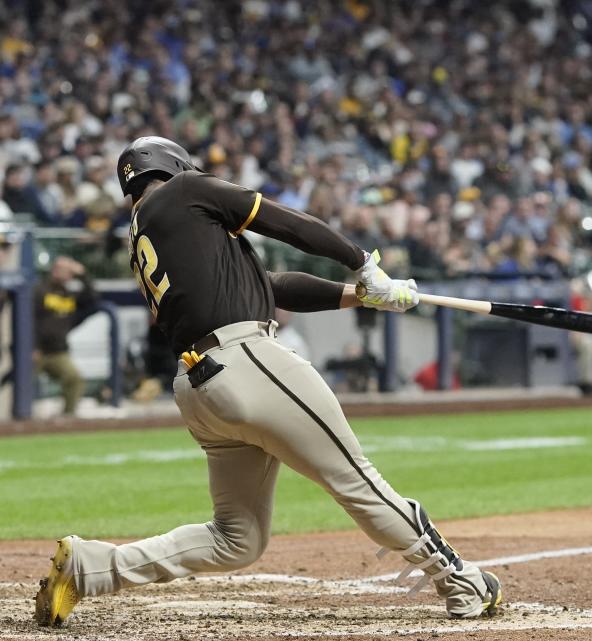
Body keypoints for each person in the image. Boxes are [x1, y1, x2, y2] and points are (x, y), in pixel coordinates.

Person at [34, 137, 502, 627]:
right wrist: (364, 263)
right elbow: (287, 222)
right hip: (245, 360)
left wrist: (363, 296)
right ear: (176, 166)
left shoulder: (147, 231)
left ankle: (90, 567)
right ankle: (462, 581)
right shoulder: (189, 189)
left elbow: (269, 285)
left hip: (199, 389)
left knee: (236, 539)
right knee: (357, 478)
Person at [33, 256, 98, 415]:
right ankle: (20, 419)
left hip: (57, 352)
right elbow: (29, 320)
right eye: (61, 268)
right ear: (53, 269)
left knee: (74, 378)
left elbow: (93, 298)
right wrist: (32, 347)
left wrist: (82, 274)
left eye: (68, 270)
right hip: (36, 351)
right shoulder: (39, 289)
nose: (64, 273)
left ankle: (68, 418)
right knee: (21, 383)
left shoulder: (68, 294)